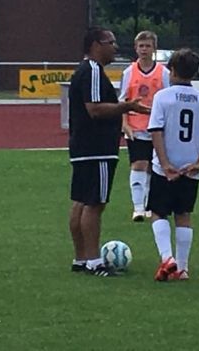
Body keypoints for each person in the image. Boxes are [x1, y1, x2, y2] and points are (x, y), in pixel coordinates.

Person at [68, 28, 150, 277]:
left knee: (81, 202)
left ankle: (81, 258)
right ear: (95, 45)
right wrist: (127, 106)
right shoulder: (92, 70)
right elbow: (94, 109)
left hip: (83, 147)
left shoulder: (84, 70)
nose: (115, 47)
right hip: (97, 148)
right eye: (110, 42)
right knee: (95, 203)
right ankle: (94, 261)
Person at [147, 48, 199, 281]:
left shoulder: (162, 97)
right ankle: (183, 268)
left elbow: (156, 131)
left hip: (165, 168)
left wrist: (165, 163)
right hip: (190, 167)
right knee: (184, 214)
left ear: (173, 70)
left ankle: (168, 258)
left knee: (158, 213)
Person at [120, 31, 170, 222]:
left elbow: (168, 99)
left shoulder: (163, 73)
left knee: (154, 167)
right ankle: (138, 207)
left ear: (154, 48)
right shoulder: (129, 72)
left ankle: (151, 204)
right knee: (139, 164)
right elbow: (123, 99)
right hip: (136, 127)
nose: (144, 50)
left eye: (147, 46)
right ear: (136, 48)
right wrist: (124, 124)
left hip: (157, 129)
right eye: (141, 46)